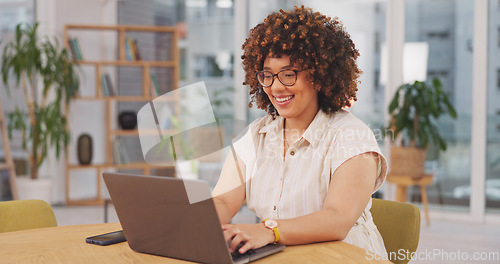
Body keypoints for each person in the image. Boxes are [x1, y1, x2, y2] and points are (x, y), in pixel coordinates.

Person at [212, 5, 387, 257]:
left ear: (318, 75)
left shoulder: (351, 136)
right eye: (268, 76)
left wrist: (268, 230)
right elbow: (223, 201)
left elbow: (337, 219)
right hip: (280, 254)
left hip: (346, 256)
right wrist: (192, 223)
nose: (276, 87)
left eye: (288, 74)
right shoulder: (255, 135)